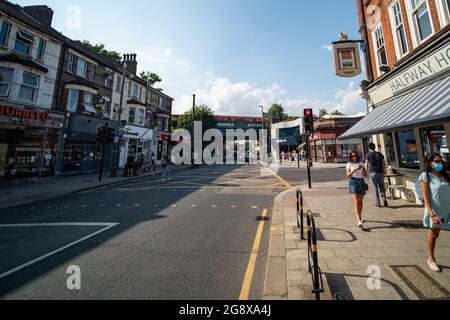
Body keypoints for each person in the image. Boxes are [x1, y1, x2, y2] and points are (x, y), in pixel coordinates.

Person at [419, 153, 450, 272]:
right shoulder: (425, 176)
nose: (439, 164)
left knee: (437, 233)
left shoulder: (444, 176)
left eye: (441, 161)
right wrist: (432, 214)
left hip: (448, 210)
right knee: (434, 233)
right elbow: (425, 197)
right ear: (430, 162)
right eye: (437, 161)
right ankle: (431, 259)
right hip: (437, 212)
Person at [346, 150, 368, 229]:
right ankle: (358, 220)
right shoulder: (349, 164)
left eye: (355, 155)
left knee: (360, 202)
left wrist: (362, 171)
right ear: (350, 157)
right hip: (353, 182)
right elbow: (348, 175)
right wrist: (355, 170)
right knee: (356, 202)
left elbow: (365, 175)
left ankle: (360, 216)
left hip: (361, 182)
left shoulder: (361, 163)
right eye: (353, 156)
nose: (354, 157)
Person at [365, 143, 389, 207]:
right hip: (380, 172)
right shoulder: (380, 154)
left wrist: (366, 171)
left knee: (375, 188)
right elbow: (384, 163)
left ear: (369, 148)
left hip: (373, 172)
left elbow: (366, 164)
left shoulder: (368, 155)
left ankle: (377, 202)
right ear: (375, 147)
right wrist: (384, 171)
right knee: (381, 186)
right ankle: (384, 199)